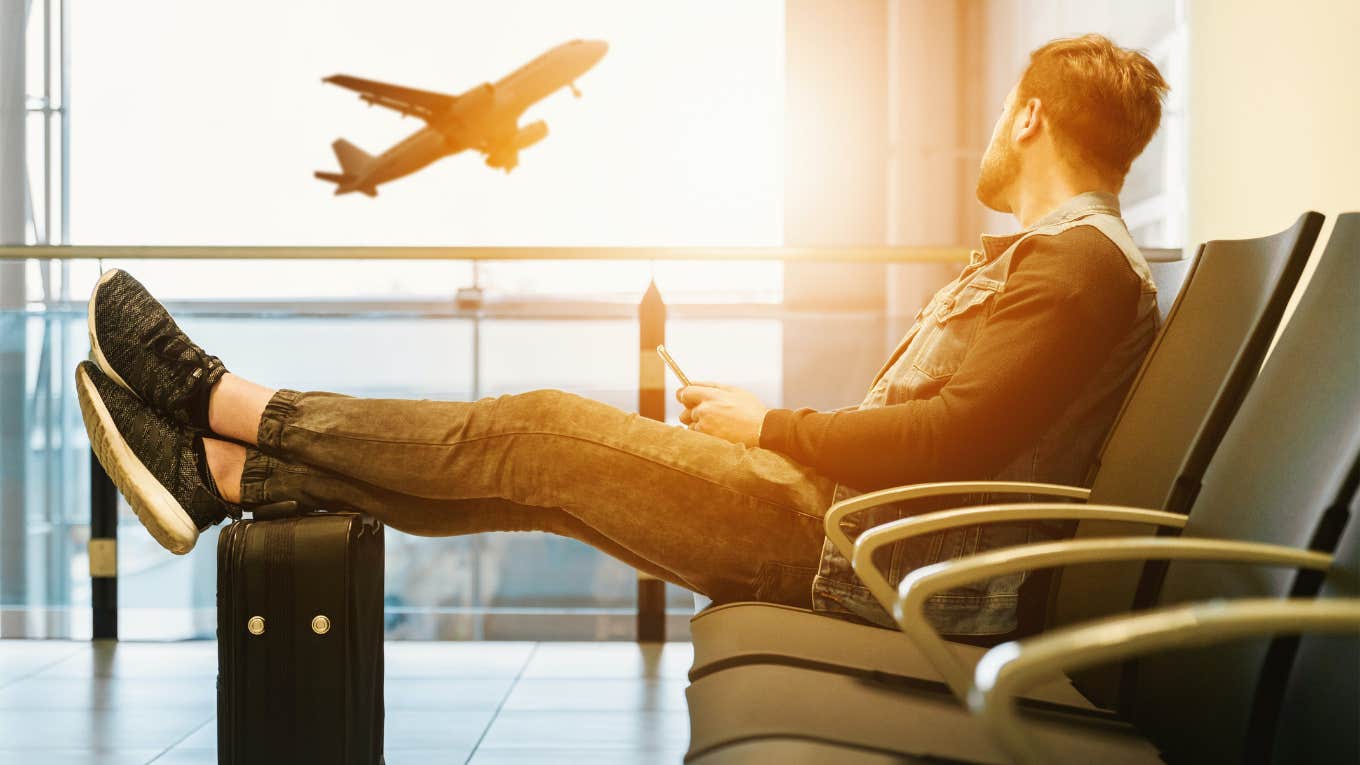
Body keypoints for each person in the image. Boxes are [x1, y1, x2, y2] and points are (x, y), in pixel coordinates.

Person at [76, 34, 1168, 635]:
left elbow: (952, 443)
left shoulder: (1075, 267)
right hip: (853, 538)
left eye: (997, 116)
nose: (987, 136)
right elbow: (954, 436)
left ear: (1027, 116)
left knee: (536, 431)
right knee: (538, 482)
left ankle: (218, 400)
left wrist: (773, 425)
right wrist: (771, 432)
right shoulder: (1068, 265)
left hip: (857, 557)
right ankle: (223, 476)